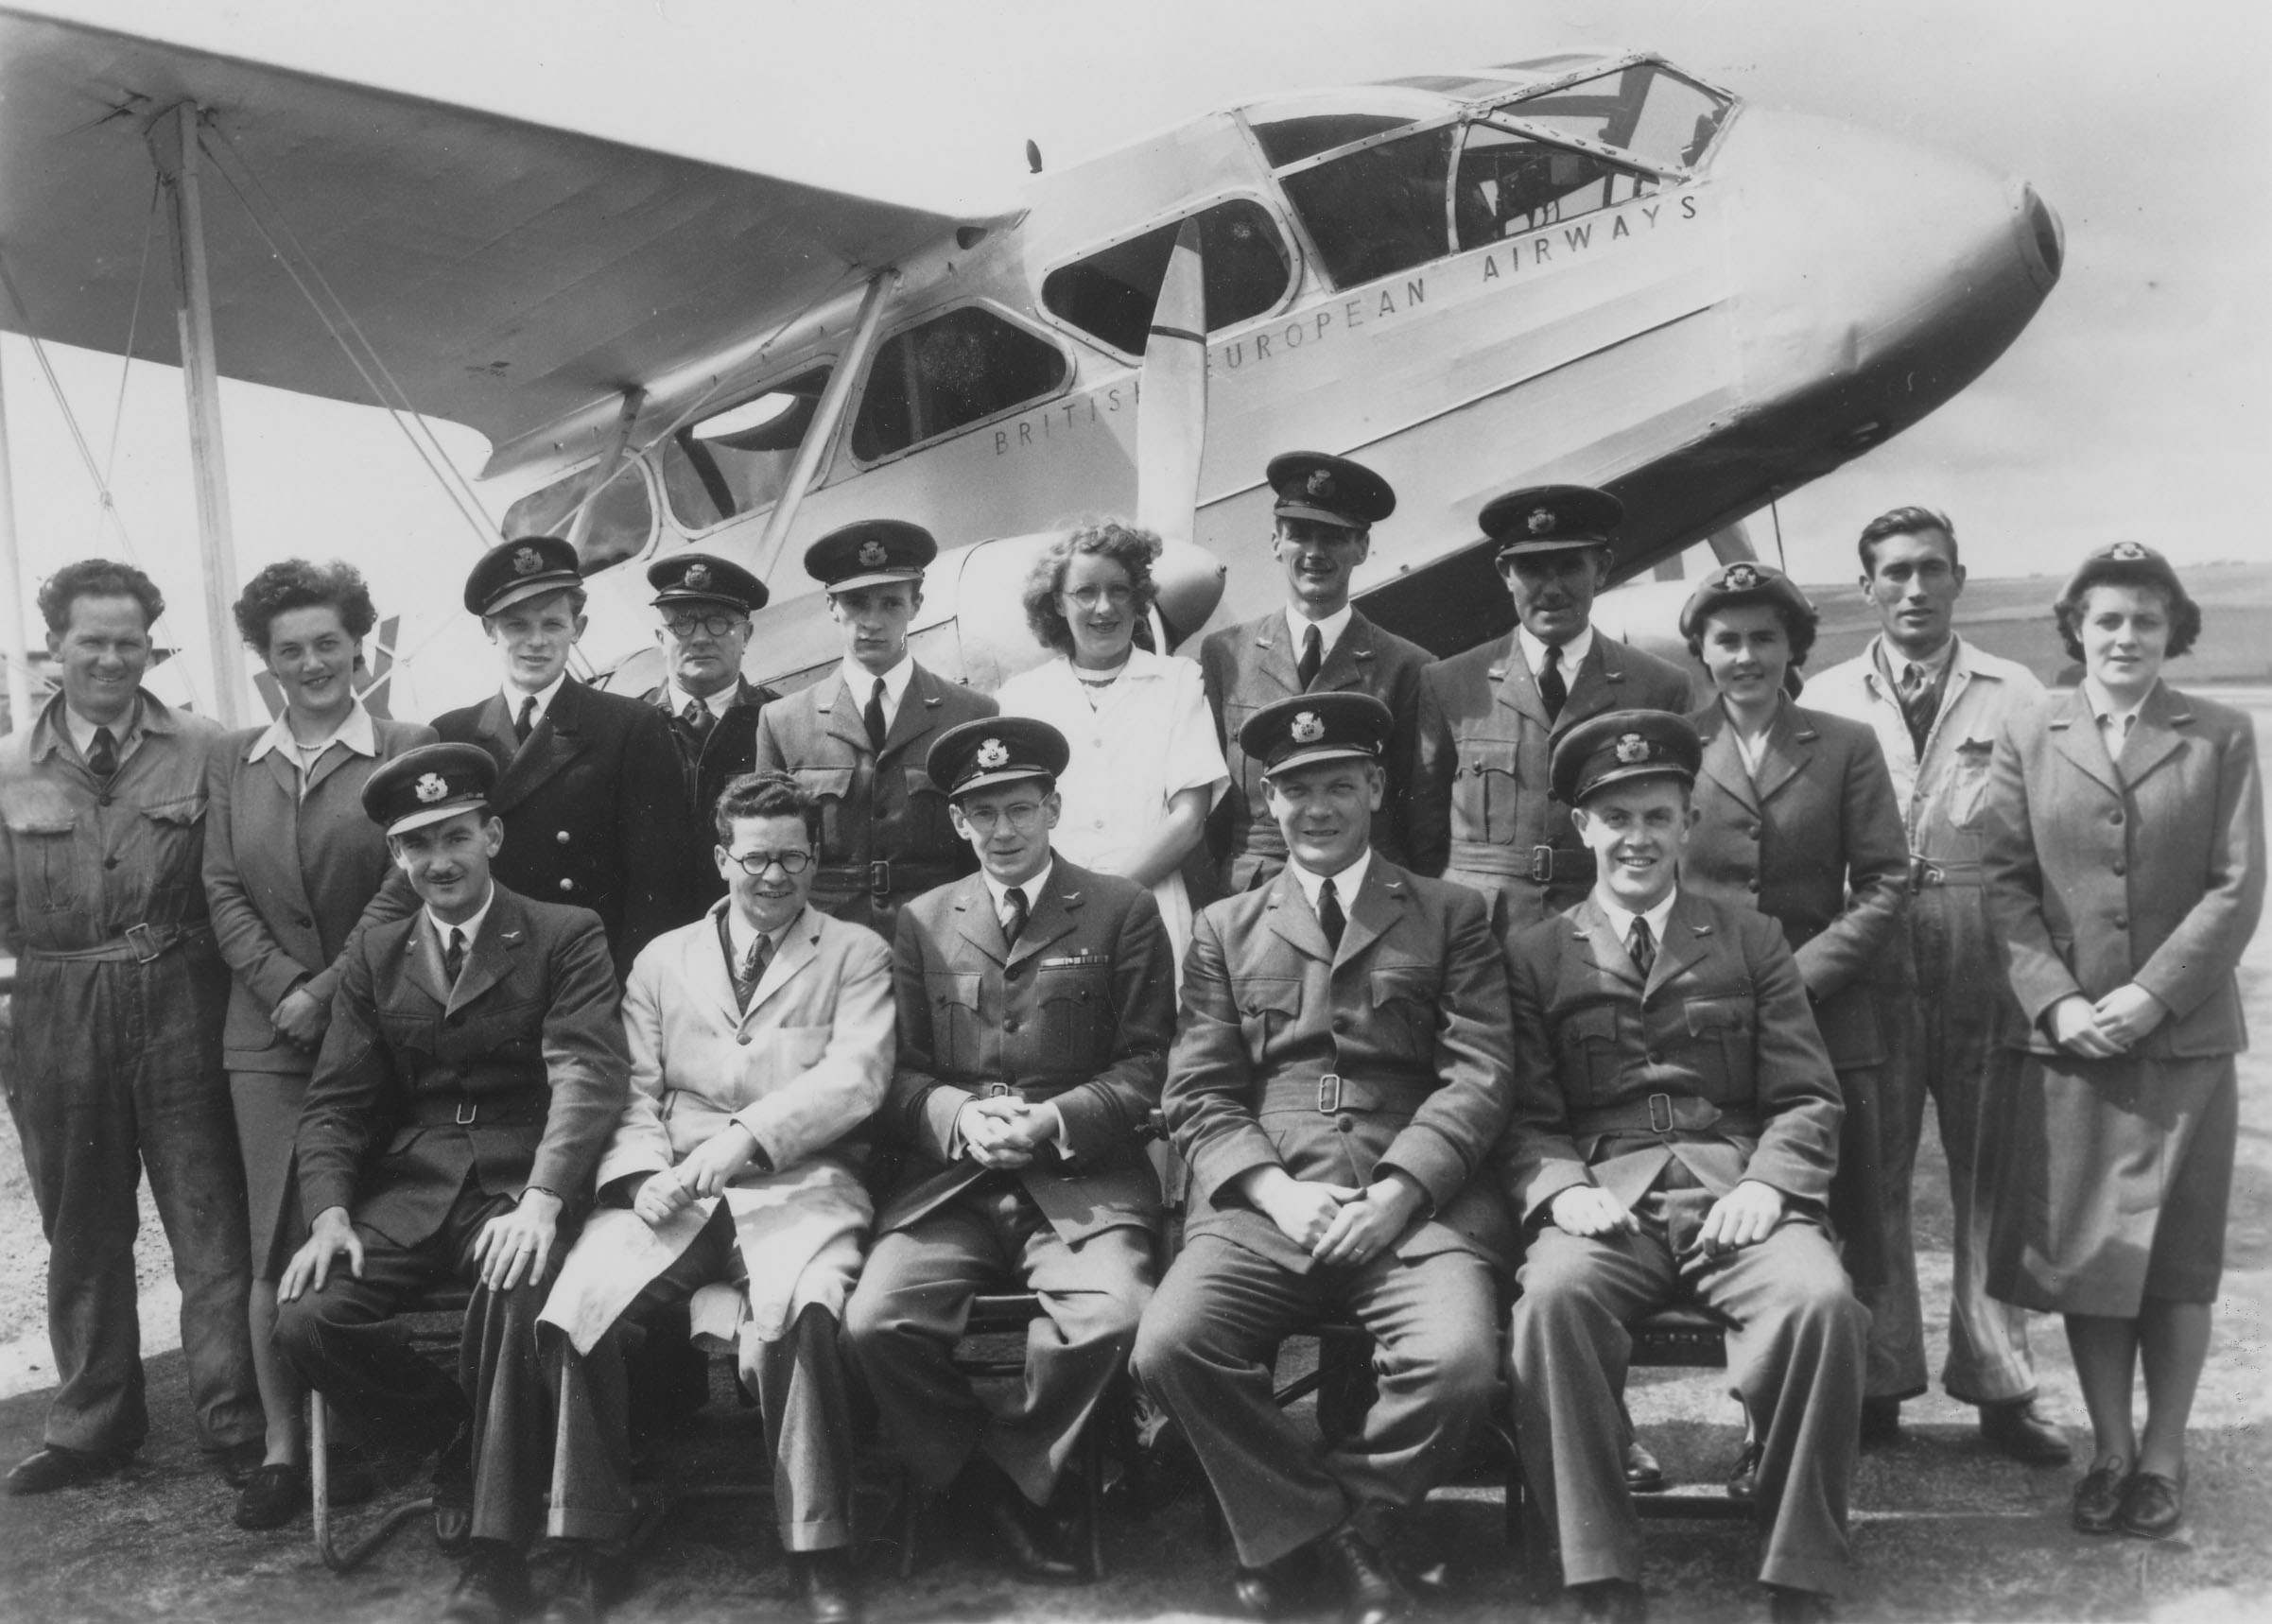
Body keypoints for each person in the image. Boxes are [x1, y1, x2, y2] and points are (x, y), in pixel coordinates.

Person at [1134, 693, 1514, 1624]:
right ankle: (1310, 1532)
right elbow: (1199, 1089)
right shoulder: (1227, 926)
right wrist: (1273, 1192)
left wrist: (1397, 1191)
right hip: (1268, 1196)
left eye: (1339, 785)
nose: (1318, 807)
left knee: (1459, 1360)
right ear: (1268, 798)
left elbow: (1481, 1073)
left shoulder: (1451, 912)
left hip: (1413, 1195)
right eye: (1296, 789)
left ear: (1376, 787)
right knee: (1171, 1343)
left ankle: (1345, 1520)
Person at [1500, 711, 1864, 1624]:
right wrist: (1561, 1188)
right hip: (1604, 1203)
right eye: (1614, 817)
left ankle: (1799, 1568)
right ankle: (1598, 1570)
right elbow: (1518, 1115)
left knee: (1820, 1302)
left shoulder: (1749, 938)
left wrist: (1766, 1185)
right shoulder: (1534, 953)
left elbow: (1807, 1097)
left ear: (1685, 823)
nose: (1636, 838)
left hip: (1733, 1195)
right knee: (1550, 1303)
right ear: (1581, 827)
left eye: (1656, 816)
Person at [272, 743, 630, 1622]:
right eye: (417, 845)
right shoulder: (377, 955)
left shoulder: (563, 933)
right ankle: (459, 1437)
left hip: (522, 1176)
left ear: (492, 835)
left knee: (512, 1288)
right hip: (416, 1185)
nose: (439, 861)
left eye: (456, 837)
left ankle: (491, 1551)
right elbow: (335, 1107)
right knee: (308, 1319)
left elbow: (586, 1076)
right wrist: (327, 1218)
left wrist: (545, 1198)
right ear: (396, 858)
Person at [538, 771, 890, 1624]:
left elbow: (856, 1076)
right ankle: (589, 1538)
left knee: (803, 1309)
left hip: (797, 1180)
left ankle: (817, 1547)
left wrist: (748, 1138)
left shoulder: (854, 952)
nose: (775, 879)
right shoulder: (663, 958)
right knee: (575, 1306)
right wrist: (638, 1174)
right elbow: (630, 1085)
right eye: (756, 859)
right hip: (673, 1187)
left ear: (815, 859)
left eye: (794, 859)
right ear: (721, 857)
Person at [842, 717, 1172, 1583]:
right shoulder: (920, 920)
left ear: (1053, 806)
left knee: (1114, 1317)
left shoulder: (1119, 908)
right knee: (877, 1322)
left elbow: (1150, 1061)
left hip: (1078, 1174)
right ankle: (972, 1478)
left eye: (1019, 808)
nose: (1002, 830)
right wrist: (955, 1115)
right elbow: (898, 1071)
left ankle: (1016, 1475)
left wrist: (1056, 1118)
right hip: (950, 1183)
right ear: (956, 823)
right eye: (981, 813)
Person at [1982, 543, 2263, 1541]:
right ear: (2077, 629)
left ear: (2172, 632)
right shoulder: (2029, 728)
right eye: (2107, 619)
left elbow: (2237, 887)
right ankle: (2107, 1446)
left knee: (2178, 1261)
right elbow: (2004, 884)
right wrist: (2055, 1001)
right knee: (2091, 1256)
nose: (2126, 637)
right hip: (2069, 1046)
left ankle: (2163, 1453)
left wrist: (2152, 997)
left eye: (2146, 620)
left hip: (2179, 1044)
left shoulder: (2219, 733)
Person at [1804, 508, 2067, 1460]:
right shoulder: (1829, 692)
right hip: (1870, 943)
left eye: (1931, 571)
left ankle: (2001, 1385)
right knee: (1867, 1168)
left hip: (1981, 940)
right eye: (1894, 573)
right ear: (1867, 586)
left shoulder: (2017, 688)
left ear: (1959, 578)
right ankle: (1876, 1382)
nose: (1914, 590)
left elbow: (2051, 828)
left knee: (1990, 1168)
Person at [0, 560, 262, 1497]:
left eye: (128, 642)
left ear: (152, 647)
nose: (110, 658)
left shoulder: (208, 749)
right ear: (54, 647)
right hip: (56, 1014)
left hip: (183, 1001)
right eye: (91, 641)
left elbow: (234, 882)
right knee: (81, 1227)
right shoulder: (7, 765)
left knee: (211, 1221)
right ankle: (91, 1422)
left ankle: (235, 1415)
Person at [202, 559, 437, 1528]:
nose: (311, 662)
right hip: (264, 1042)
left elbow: (406, 881)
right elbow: (220, 887)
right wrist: (281, 990)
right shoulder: (235, 760)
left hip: (380, 1028)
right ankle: (282, 1447)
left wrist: (331, 991)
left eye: (328, 643)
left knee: (359, 1225)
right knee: (273, 1240)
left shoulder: (405, 744)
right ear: (264, 659)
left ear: (360, 644)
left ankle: (363, 1433)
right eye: (289, 648)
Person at [1675, 561, 1906, 1313]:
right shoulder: (1675, 746)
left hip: (1825, 1013)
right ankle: (1761, 1389)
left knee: (1850, 1207)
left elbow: (1884, 882)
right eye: (1727, 640)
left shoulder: (1845, 744)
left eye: (1764, 639)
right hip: (1706, 1014)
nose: (1745, 657)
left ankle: (1865, 1391)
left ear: (1791, 647)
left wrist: (1801, 977)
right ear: (1702, 652)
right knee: (1731, 1203)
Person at [1410, 485, 1692, 934]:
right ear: (1505, 572)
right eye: (1532, 570)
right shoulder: (1450, 684)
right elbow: (1421, 838)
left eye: (1569, 567)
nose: (1552, 590)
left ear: (1601, 569)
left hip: (1606, 926)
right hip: (1482, 938)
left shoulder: (1658, 687)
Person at [432, 535, 686, 976]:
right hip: (493, 977)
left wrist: (631, 988)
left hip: (596, 973)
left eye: (552, 624)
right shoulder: (451, 736)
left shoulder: (630, 726)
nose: (536, 642)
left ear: (578, 628)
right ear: (489, 630)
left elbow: (659, 883)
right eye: (516, 625)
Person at [996, 519, 1227, 974]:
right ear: (1058, 604)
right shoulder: (1019, 699)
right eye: (1085, 592)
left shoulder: (1177, 681)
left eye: (1119, 591)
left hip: (1151, 912)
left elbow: (1188, 819)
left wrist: (1103, 904)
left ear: (1139, 598)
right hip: (1049, 919)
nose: (1104, 607)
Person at [751, 520, 996, 940]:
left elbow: (986, 847)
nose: (873, 622)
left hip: (943, 938)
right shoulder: (784, 721)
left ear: (917, 605)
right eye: (857, 603)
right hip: (826, 944)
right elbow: (766, 853)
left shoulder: (970, 713)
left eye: (891, 604)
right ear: (831, 607)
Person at [1199, 452, 1431, 891]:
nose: (1314, 553)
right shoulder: (1226, 655)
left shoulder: (1407, 666)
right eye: (1299, 535)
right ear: (1275, 543)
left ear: (1361, 547)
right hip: (1256, 894)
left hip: (1369, 890)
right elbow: (1215, 808)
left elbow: (1419, 815)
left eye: (1334, 538)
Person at [636, 552, 781, 916]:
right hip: (657, 937)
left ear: (746, 634)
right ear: (660, 637)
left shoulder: (779, 720)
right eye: (682, 623)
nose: (700, 638)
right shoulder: (627, 727)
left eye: (719, 622)